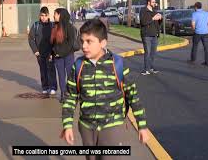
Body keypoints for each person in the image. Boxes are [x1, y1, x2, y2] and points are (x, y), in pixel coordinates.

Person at [60, 19, 149, 160]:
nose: (84, 46)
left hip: (112, 128)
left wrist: (142, 126)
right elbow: (70, 97)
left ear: (103, 43)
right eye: (82, 41)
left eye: (89, 41)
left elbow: (133, 96)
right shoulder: (78, 66)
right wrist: (67, 125)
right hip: (87, 128)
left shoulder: (118, 64)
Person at [28, 6, 57, 95]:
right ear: (39, 16)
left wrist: (54, 52)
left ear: (48, 16)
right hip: (39, 53)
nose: (43, 17)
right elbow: (31, 39)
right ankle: (45, 87)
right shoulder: (36, 25)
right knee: (43, 70)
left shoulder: (52, 26)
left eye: (45, 15)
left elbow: (56, 39)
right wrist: (35, 50)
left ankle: (53, 87)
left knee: (51, 70)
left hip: (50, 53)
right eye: (42, 15)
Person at [51, 8, 76, 102]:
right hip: (58, 57)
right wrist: (53, 52)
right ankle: (63, 95)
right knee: (61, 76)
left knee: (70, 76)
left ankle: (71, 94)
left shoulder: (69, 27)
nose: (54, 16)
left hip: (68, 56)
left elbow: (71, 43)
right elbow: (52, 43)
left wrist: (61, 53)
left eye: (55, 14)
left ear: (61, 15)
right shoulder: (55, 27)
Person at [139, 0, 162, 75]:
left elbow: (157, 24)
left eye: (154, 2)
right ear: (148, 2)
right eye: (153, 2)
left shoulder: (154, 11)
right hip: (146, 35)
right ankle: (146, 69)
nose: (154, 3)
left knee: (153, 53)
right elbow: (143, 22)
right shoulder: (143, 10)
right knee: (147, 52)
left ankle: (151, 67)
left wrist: (160, 19)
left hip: (154, 35)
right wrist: (153, 18)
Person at [188, 2, 208, 67]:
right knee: (206, 48)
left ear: (195, 7)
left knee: (195, 46)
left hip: (197, 32)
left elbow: (193, 24)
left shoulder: (194, 14)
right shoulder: (206, 13)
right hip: (206, 32)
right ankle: (207, 62)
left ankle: (193, 60)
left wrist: (193, 29)